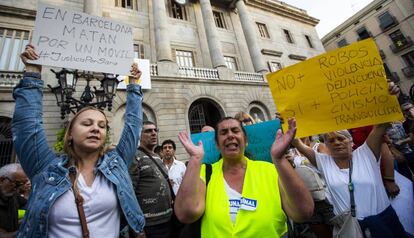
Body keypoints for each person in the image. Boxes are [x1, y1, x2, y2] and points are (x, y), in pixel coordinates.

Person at [12, 45, 145, 237]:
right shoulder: (46, 168)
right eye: (87, 123)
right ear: (70, 133)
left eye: (101, 125)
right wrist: (32, 73)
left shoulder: (117, 164)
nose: (95, 129)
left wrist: (134, 84)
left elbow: (133, 125)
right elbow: (27, 126)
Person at [175, 117, 314, 237]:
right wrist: (195, 159)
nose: (230, 135)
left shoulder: (270, 169)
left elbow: (303, 212)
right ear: (217, 144)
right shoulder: (204, 172)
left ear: (245, 140)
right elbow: (186, 214)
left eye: (235, 131)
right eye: (223, 132)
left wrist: (279, 159)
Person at [129, 121, 173, 238]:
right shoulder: (134, 156)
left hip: (167, 220)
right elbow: (128, 193)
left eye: (155, 130)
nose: (153, 133)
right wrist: (136, 227)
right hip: (149, 225)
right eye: (148, 131)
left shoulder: (158, 157)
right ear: (139, 135)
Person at [0, 163, 28, 238]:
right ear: (1, 180)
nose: (18, 188)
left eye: (22, 184)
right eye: (17, 184)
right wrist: (28, 231)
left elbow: (30, 205)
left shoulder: (13, 196)